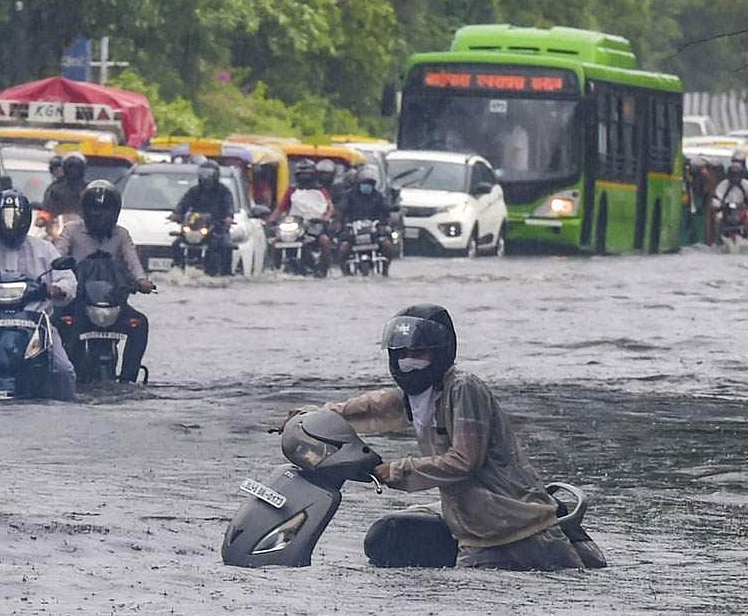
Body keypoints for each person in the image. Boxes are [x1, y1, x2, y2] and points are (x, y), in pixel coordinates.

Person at [282, 305, 598, 571]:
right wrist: (316, 415)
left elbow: (463, 462)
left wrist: (395, 471)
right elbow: (373, 408)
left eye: (418, 353)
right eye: (402, 353)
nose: (409, 360)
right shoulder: (421, 395)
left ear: (440, 353)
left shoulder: (463, 388)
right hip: (475, 528)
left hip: (518, 533)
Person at [0, 190, 77, 400]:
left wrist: (57, 288)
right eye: (5, 218)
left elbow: (67, 279)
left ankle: (68, 412)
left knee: (63, 370)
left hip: (36, 324)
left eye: (15, 218)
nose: (10, 224)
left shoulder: (44, 250)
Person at [54, 181, 155, 382]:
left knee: (140, 323)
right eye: (94, 210)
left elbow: (133, 262)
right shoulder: (71, 230)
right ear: (85, 210)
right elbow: (56, 256)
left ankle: (128, 379)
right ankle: (65, 373)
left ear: (115, 211)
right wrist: (56, 275)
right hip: (78, 303)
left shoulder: (121, 234)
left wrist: (142, 281)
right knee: (58, 324)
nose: (99, 215)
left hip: (114, 302)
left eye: (105, 210)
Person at [171, 160, 235, 276]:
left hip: (217, 226)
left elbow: (229, 205)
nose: (206, 177)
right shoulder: (194, 191)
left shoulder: (223, 191)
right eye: (203, 173)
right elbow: (183, 203)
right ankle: (176, 267)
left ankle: (226, 273)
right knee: (176, 243)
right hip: (195, 225)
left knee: (226, 245)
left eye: (209, 174)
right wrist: (177, 213)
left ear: (216, 175)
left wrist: (228, 217)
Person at [335, 165, 393, 267]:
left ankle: (385, 270)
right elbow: (341, 210)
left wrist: (386, 224)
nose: (367, 186)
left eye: (370, 184)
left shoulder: (378, 196)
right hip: (353, 231)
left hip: (374, 231)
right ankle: (345, 273)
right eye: (365, 183)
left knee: (387, 246)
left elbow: (386, 211)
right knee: (343, 250)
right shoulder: (349, 196)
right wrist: (340, 223)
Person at [41, 152, 88, 217]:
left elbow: (97, 209)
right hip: (59, 225)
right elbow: (47, 209)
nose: (73, 171)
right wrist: (43, 218)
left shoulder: (89, 189)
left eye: (77, 168)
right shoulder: (55, 189)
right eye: (70, 167)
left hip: (85, 225)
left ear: (82, 169)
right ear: (65, 168)